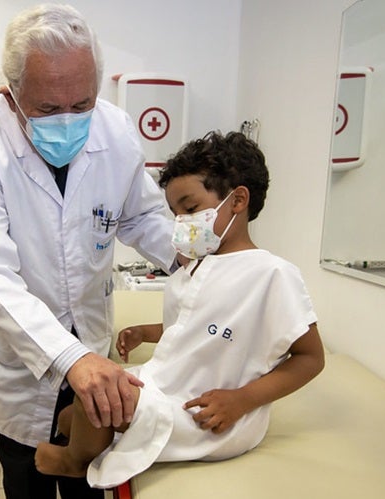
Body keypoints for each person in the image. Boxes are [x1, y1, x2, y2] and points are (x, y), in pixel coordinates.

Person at [0, 4, 176, 498]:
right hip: (17, 362)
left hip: (90, 338)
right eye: (49, 109)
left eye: (83, 104)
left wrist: (203, 264)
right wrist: (69, 356)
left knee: (87, 479)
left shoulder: (116, 131)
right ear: (12, 96)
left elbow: (143, 217)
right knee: (26, 476)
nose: (69, 120)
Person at [34, 130, 326, 489]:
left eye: (190, 209)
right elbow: (194, 323)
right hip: (172, 383)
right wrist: (146, 332)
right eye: (175, 213)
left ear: (237, 201)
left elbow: (311, 358)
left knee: (93, 395)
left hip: (210, 412)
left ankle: (74, 462)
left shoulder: (272, 274)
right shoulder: (195, 267)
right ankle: (96, 440)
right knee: (67, 419)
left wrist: (241, 400)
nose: (182, 223)